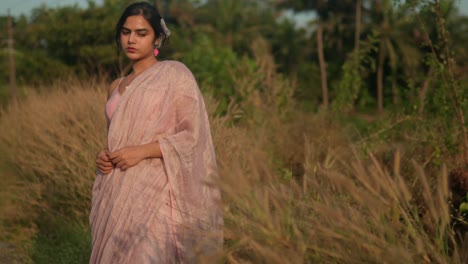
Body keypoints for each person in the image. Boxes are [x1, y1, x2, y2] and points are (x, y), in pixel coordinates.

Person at [90, 2, 223, 263]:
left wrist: (141, 152)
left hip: (156, 190)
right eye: (126, 32)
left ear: (157, 38)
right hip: (116, 191)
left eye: (141, 33)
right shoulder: (115, 87)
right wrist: (103, 156)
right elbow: (115, 139)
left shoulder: (175, 74)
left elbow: (192, 136)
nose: (131, 39)